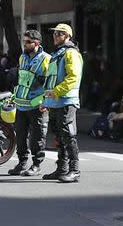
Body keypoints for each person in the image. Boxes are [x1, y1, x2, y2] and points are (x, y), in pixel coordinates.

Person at [42, 23, 83, 183]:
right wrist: (47, 100)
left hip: (67, 100)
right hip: (55, 101)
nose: (55, 36)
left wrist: (56, 92)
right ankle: (62, 168)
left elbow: (73, 77)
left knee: (68, 134)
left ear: (67, 36)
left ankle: (75, 170)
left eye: (59, 34)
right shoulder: (58, 53)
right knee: (59, 135)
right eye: (54, 34)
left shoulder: (70, 53)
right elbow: (50, 79)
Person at [8, 30, 50, 177]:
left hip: (37, 104)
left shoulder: (46, 59)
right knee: (20, 136)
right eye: (24, 41)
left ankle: (36, 165)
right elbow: (22, 80)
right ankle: (21, 163)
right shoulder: (22, 58)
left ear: (36, 43)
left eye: (27, 42)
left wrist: (46, 101)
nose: (24, 44)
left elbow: (49, 83)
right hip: (21, 104)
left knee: (37, 138)